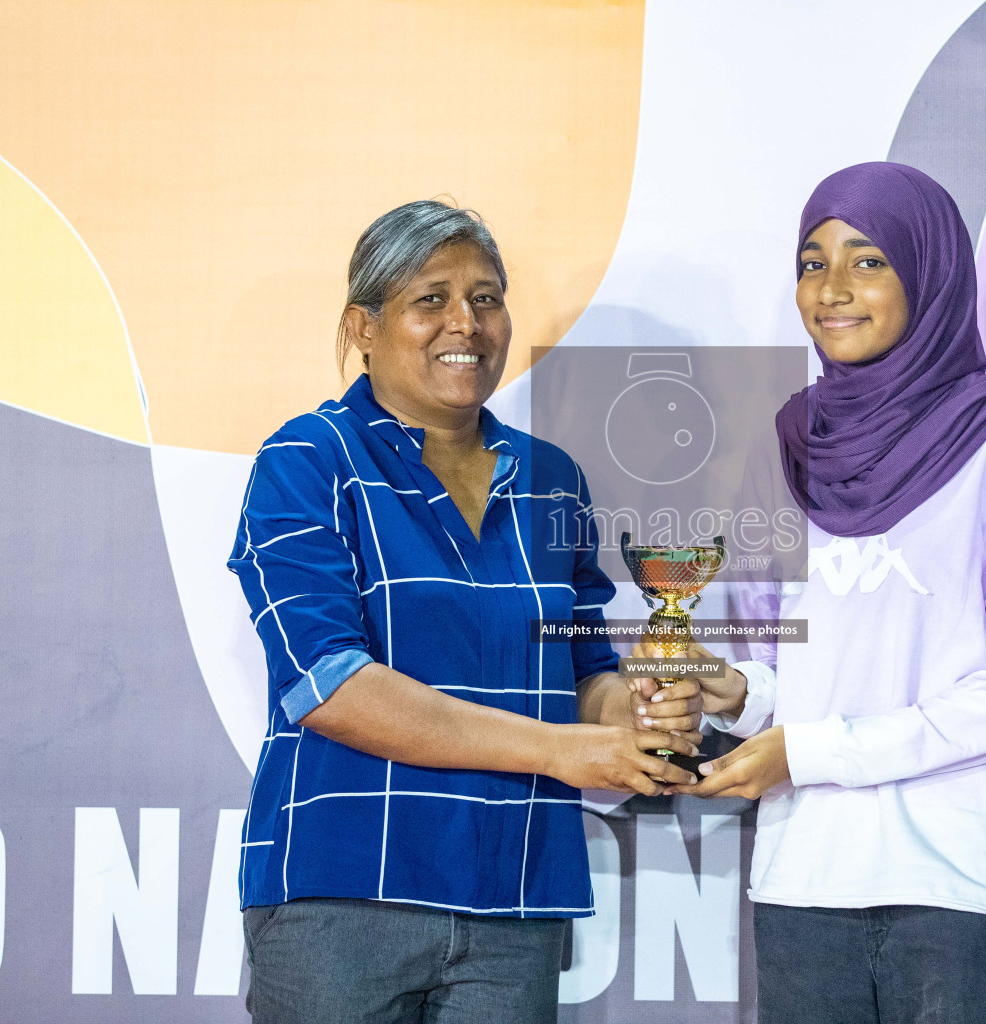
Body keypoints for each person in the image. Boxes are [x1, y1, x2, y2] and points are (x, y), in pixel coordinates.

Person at [227, 200, 700, 1024]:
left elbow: (582, 674)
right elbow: (329, 685)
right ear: (363, 327)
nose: (467, 324)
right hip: (343, 898)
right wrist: (561, 751)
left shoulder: (552, 477)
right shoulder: (307, 458)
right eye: (431, 299)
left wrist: (643, 710)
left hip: (515, 896)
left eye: (486, 298)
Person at [657, 162, 986, 1023]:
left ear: (928, 274)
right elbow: (794, 679)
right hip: (802, 881)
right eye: (811, 262)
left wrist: (810, 754)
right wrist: (740, 696)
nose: (832, 290)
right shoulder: (788, 446)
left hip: (958, 887)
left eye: (868, 262)